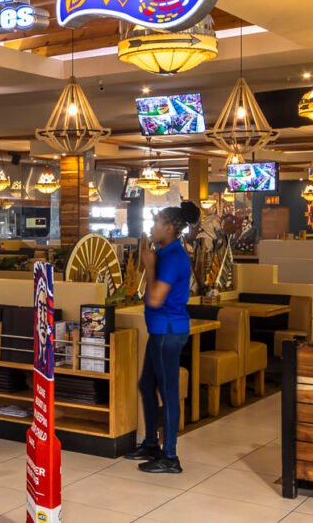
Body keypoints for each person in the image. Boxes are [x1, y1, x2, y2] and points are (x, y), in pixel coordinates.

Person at [125, 200, 200, 473]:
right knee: (147, 385)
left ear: (169, 227)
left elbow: (155, 299)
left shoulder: (172, 258)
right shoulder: (165, 253)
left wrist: (149, 266)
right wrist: (149, 261)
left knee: (168, 393)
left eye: (157, 222)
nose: (152, 227)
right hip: (160, 330)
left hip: (168, 332)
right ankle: (150, 444)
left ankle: (170, 457)